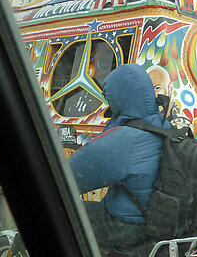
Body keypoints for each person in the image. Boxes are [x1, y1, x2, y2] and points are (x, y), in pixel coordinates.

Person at [68, 64, 171, 255]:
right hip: (161, 223)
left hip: (129, 226)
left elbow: (66, 178)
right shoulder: (165, 125)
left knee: (57, 214)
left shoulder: (124, 139)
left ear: (117, 98)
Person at [146, 65, 191, 129]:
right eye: (148, 90)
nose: (152, 94)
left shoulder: (180, 124)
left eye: (157, 88)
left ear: (171, 88)